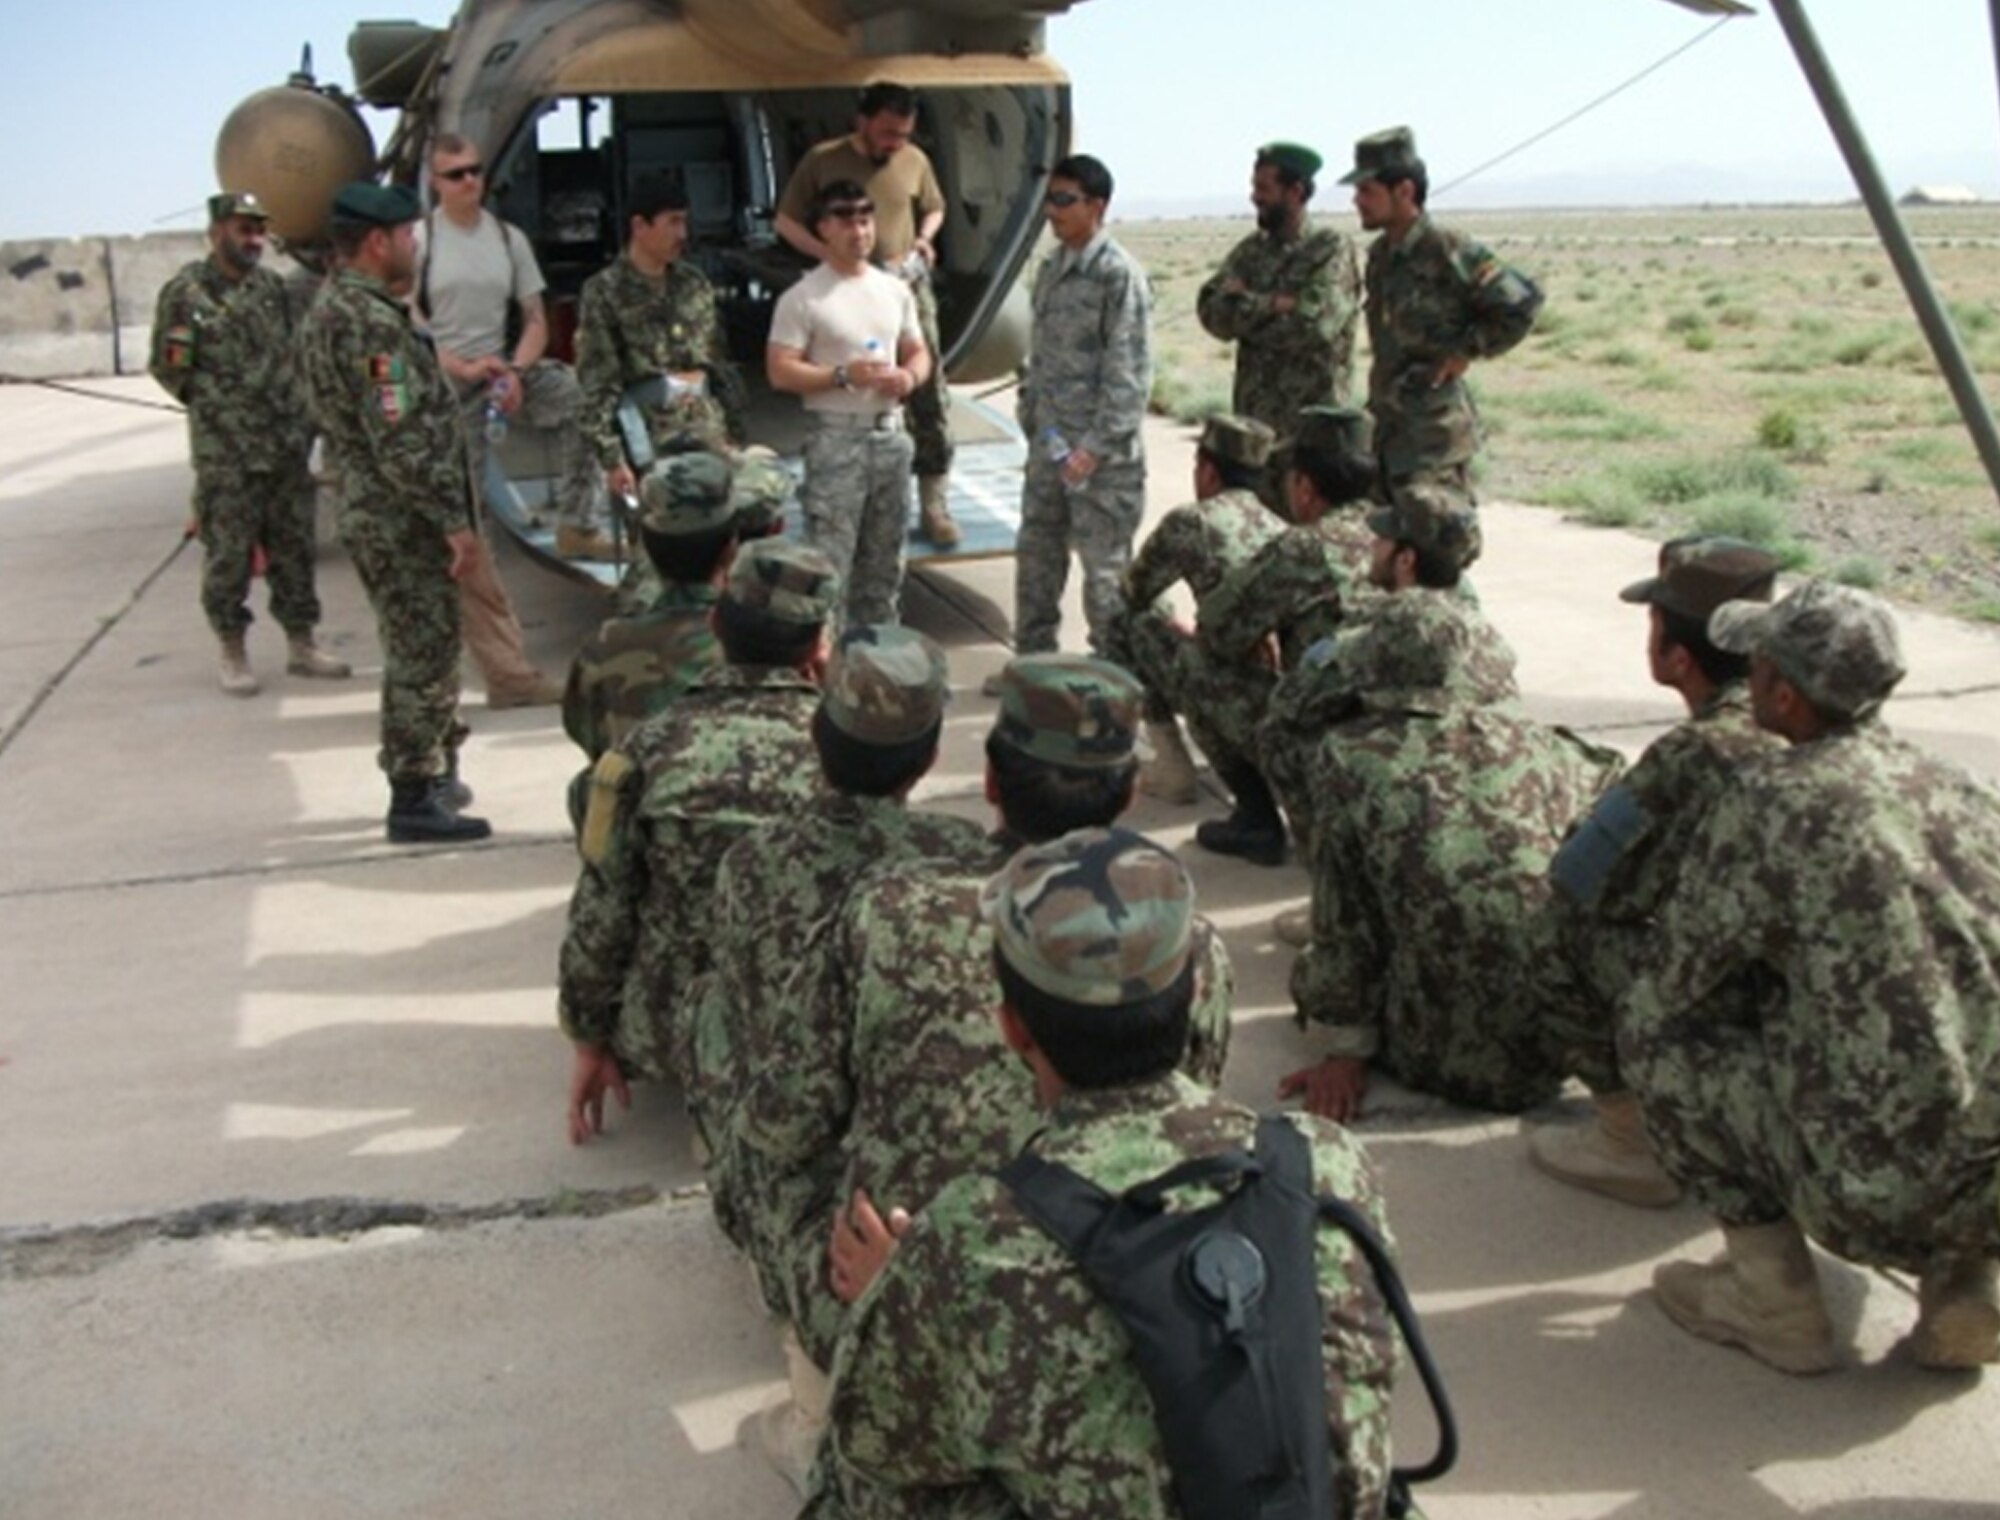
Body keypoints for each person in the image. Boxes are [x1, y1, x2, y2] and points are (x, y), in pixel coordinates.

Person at [730, 656, 1238, 1487]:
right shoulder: (1189, 948)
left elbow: (785, 1119)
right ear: (1130, 794)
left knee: (761, 1146)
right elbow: (1180, 1128)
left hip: (890, 1287)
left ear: (990, 781)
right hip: (1117, 1304)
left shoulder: (888, 914)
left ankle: (824, 1405)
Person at [808, 827, 1402, 1520]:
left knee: (854, 1474)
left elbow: (881, 1444)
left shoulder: (977, 1233)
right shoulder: (1323, 1162)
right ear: (1199, 990)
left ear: (1012, 1029)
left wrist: (899, 1295)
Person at [1620, 581, 2000, 1374]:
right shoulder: (1963, 788)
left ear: (1783, 696)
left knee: (1659, 1025)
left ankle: (1773, 1299)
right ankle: (1965, 1282)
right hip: (1986, 1181)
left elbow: (1681, 972)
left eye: (1756, 666)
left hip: (1869, 1193)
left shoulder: (1772, 802)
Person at [1280, 500, 1622, 1122]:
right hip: (1562, 1042)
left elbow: (1344, 921)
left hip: (1440, 1054)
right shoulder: (1534, 741)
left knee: (1307, 975)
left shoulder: (1351, 757)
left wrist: (1342, 1051)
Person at [1526, 537, 1782, 1208]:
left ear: (1677, 657)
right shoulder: (1805, 717)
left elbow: (1581, 878)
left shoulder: (1695, 752)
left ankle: (1627, 1139)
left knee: (1553, 929)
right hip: (1826, 1006)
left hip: (1760, 1011)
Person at [558, 539, 838, 1146]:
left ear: (715, 623)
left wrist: (587, 1036)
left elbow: (601, 908)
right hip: (807, 1049)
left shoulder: (642, 751)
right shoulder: (844, 757)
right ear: (820, 646)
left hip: (667, 1038)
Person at [296, 182, 491, 844]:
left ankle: (432, 770)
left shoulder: (341, 309)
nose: (413, 246)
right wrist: (452, 521)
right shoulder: (368, 323)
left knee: (424, 643)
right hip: (400, 515)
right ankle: (413, 795)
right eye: (407, 235)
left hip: (380, 507)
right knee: (422, 653)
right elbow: (400, 436)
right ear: (377, 243)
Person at [148, 190, 349, 696]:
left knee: (294, 549)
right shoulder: (187, 293)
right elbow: (170, 366)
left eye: (259, 230)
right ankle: (232, 649)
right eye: (243, 229)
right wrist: (219, 406)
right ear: (217, 233)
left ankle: (302, 643)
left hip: (284, 445)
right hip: (228, 455)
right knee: (229, 556)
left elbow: (295, 353)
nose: (254, 239)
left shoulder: (272, 290)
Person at [413, 132, 571, 707]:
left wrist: (516, 371)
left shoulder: (507, 239)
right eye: (456, 174)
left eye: (476, 171)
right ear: (435, 182)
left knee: (579, 398)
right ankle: (504, 670)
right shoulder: (422, 241)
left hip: (498, 377)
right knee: (467, 530)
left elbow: (534, 318)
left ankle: (579, 510)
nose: (469, 182)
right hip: (444, 393)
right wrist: (459, 365)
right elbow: (409, 328)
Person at [775, 80, 960, 547]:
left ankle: (934, 502)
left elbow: (935, 207)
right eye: (887, 133)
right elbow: (786, 220)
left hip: (903, 286)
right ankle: (842, 496)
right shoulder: (823, 160)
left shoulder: (914, 160)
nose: (895, 143)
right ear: (862, 121)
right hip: (842, 287)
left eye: (903, 134)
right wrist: (830, 253)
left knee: (928, 393)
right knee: (847, 388)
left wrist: (924, 239)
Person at [1101, 414, 1286, 859]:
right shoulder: (1280, 525)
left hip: (1234, 697)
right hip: (1287, 698)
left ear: (1206, 469)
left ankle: (1179, 769)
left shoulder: (1193, 523)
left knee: (1129, 620)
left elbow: (1133, 590)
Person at [1340, 126, 1541, 515]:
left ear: (1404, 192)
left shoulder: (1448, 249)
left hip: (1433, 435)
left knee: (1434, 547)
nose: (1357, 201)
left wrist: (1466, 350)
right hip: (1387, 427)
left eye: (1367, 190)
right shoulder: (1382, 256)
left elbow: (1521, 304)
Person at [767, 180, 931, 628]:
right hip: (837, 440)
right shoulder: (804, 298)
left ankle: (877, 667)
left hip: (890, 435)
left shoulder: (894, 291)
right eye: (845, 219)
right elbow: (780, 370)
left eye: (865, 218)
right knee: (830, 569)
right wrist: (841, 376)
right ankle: (829, 665)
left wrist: (908, 377)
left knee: (885, 568)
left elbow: (918, 351)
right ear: (822, 228)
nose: (858, 230)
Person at [1010, 154, 1153, 665]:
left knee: (1105, 581)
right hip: (1051, 451)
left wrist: (1091, 450)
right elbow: (1039, 359)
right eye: (1050, 199)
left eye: (1064, 200)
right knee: (1036, 563)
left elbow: (1129, 375)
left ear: (1097, 205)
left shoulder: (1117, 276)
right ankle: (1032, 667)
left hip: (1101, 465)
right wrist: (1033, 419)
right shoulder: (1052, 271)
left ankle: (1112, 685)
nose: (1052, 210)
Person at [559, 451, 737, 820]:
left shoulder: (606, 646)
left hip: (643, 831)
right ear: (731, 547)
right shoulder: (761, 640)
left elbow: (585, 731)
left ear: (648, 552)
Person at [1196, 142, 1361, 506]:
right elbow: (1211, 312)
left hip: (1310, 445)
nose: (1254, 198)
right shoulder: (1251, 252)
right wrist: (1275, 305)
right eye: (1254, 187)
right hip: (1253, 442)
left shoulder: (1329, 249)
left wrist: (1248, 303)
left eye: (1264, 189)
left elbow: (1314, 326)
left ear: (1296, 192)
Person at [575, 174, 747, 504]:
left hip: (707, 429)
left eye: (684, 221)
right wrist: (612, 459)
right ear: (640, 226)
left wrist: (734, 432)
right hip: (647, 437)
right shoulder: (604, 292)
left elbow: (719, 364)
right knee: (658, 540)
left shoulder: (693, 284)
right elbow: (598, 382)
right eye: (672, 222)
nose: (682, 234)